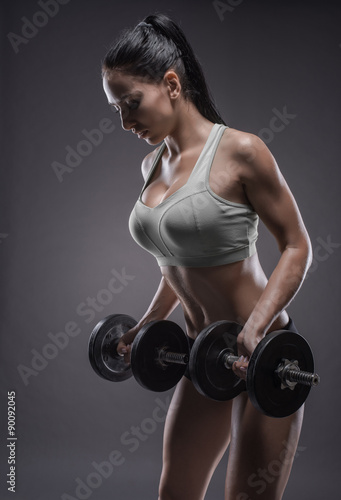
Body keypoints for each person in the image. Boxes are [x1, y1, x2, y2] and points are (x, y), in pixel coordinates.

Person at [101, 13, 312, 500]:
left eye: (130, 103)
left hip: (263, 355)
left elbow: (298, 246)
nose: (125, 121)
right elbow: (180, 263)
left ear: (171, 84)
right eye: (115, 110)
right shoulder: (152, 164)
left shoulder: (242, 151)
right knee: (175, 494)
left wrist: (255, 329)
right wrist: (146, 323)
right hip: (203, 355)